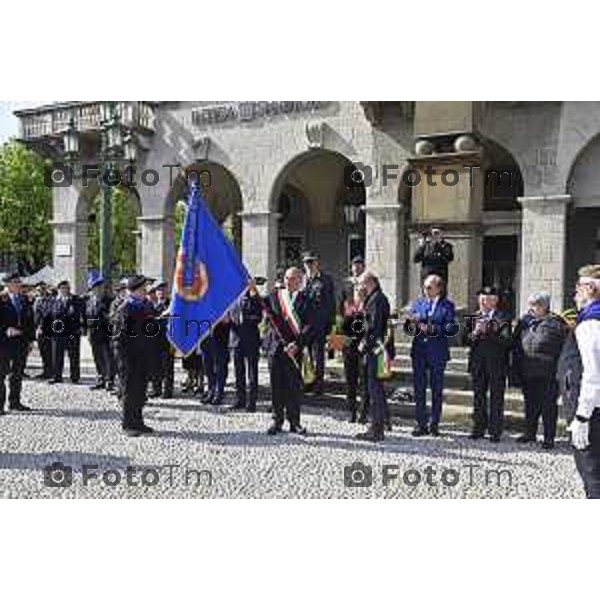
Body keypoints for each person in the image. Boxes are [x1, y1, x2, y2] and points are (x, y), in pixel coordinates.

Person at [557, 265, 600, 498]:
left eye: (578, 289)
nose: (575, 295)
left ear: (591, 288)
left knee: (592, 475)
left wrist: (582, 417)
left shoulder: (591, 323)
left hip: (592, 411)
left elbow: (594, 375)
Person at [263, 267, 315, 435]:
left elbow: (310, 326)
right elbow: (266, 316)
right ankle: (277, 421)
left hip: (294, 350)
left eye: (292, 279)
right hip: (276, 349)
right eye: (286, 278)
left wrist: (298, 344)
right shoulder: (274, 296)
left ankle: (295, 422)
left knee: (293, 387)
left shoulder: (307, 299)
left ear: (300, 281)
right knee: (276, 386)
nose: (288, 281)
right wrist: (251, 291)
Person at [512, 292, 566, 449]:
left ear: (545, 306)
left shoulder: (556, 322)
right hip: (528, 370)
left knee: (548, 405)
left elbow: (564, 347)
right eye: (531, 304)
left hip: (549, 371)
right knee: (530, 404)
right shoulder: (524, 321)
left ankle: (549, 438)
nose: (533, 308)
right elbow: (515, 344)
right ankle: (530, 433)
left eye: (536, 304)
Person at [406, 274, 455, 437]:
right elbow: (410, 328)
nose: (425, 290)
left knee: (436, 388)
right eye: (424, 287)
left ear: (438, 288)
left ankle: (434, 423)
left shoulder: (447, 305)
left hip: (437, 351)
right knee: (419, 388)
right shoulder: (418, 303)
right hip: (419, 350)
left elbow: (450, 328)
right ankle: (421, 424)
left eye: (429, 287)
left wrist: (432, 330)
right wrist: (411, 324)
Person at [463, 287, 512, 442]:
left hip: (496, 364)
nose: (484, 302)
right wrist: (476, 333)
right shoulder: (473, 317)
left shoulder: (503, 317)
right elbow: (464, 340)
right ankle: (478, 428)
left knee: (496, 398)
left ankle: (495, 431)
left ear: (495, 300)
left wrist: (489, 331)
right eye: (482, 299)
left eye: (488, 299)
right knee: (478, 397)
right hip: (478, 364)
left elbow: (506, 341)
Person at [114, 275, 156, 436]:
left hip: (143, 356)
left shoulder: (144, 306)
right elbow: (118, 338)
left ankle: (138, 421)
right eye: (143, 289)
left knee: (140, 391)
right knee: (129, 391)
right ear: (135, 290)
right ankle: (128, 424)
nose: (146, 291)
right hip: (129, 358)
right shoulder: (126, 308)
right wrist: (123, 361)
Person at [356, 271, 391, 442]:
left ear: (370, 282)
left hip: (375, 350)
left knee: (374, 389)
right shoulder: (373, 298)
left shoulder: (377, 299)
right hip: (374, 348)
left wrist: (365, 343)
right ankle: (380, 424)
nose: (359, 286)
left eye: (361, 283)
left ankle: (376, 430)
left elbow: (374, 327)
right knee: (375, 389)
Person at [0, 273, 35, 414]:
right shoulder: (1, 299)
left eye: (19, 281)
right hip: (4, 343)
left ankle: (15, 402)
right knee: (1, 374)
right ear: (7, 284)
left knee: (17, 374)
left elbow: (31, 320)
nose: (19, 284)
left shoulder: (25, 299)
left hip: (21, 343)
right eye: (15, 282)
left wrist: (31, 339)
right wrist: (5, 330)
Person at [302, 251, 336, 396]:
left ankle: (318, 386)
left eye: (312, 262)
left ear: (317, 263)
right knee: (306, 355)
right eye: (306, 262)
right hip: (304, 326)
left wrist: (331, 325)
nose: (309, 265)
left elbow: (330, 304)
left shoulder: (326, 280)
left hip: (320, 325)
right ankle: (307, 382)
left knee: (318, 356)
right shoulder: (302, 280)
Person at [229, 278, 264, 412]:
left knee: (252, 373)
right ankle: (240, 399)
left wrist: (245, 321)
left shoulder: (254, 299)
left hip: (251, 340)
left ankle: (252, 402)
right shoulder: (233, 301)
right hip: (236, 341)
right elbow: (231, 318)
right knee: (239, 372)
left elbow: (258, 317)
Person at [340, 256, 367, 422]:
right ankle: (351, 410)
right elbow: (339, 309)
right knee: (349, 376)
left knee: (363, 377)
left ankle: (363, 411)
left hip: (363, 336)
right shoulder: (346, 284)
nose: (356, 268)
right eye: (354, 265)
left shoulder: (368, 284)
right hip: (348, 336)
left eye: (359, 265)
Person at [49, 280, 85, 384]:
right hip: (57, 333)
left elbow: (81, 314)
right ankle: (57, 376)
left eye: (67, 288)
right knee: (57, 355)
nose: (66, 290)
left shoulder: (76, 300)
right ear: (59, 289)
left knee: (74, 356)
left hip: (72, 332)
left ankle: (75, 377)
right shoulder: (54, 301)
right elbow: (49, 316)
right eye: (63, 288)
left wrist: (82, 327)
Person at [85, 276, 115, 391]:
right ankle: (101, 378)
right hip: (93, 334)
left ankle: (109, 380)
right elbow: (87, 317)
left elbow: (110, 317)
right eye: (95, 288)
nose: (98, 290)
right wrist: (87, 331)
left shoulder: (108, 301)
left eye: (99, 287)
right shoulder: (89, 301)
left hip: (106, 333)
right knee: (97, 358)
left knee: (108, 358)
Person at [147, 281, 175, 399]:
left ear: (166, 291)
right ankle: (156, 389)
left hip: (167, 340)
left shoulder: (172, 304)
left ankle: (168, 390)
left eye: (163, 290)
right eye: (158, 290)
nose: (160, 293)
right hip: (154, 341)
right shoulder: (152, 305)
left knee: (167, 367)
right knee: (155, 366)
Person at [200, 318, 231, 406]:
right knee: (207, 366)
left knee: (219, 366)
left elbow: (227, 320)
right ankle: (211, 391)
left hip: (219, 336)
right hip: (205, 336)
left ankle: (219, 393)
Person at [32, 281, 54, 379]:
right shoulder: (36, 300)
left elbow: (46, 315)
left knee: (48, 352)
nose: (40, 291)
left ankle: (50, 372)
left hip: (47, 330)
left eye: (42, 289)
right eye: (38, 290)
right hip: (38, 330)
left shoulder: (50, 300)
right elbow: (34, 316)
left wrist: (41, 326)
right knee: (42, 352)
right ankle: (45, 371)